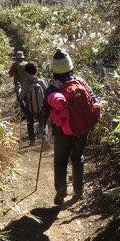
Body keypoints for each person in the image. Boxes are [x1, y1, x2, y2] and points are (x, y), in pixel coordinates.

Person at [44, 48, 98, 206]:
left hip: (62, 133)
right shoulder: (81, 83)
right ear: (70, 66)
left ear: (54, 69)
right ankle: (78, 190)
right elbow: (94, 101)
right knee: (77, 158)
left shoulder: (52, 88)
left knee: (60, 161)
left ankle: (61, 188)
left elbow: (45, 112)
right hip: (82, 131)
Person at [18, 62, 48, 146]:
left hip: (30, 107)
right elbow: (47, 93)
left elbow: (21, 97)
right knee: (42, 122)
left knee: (30, 122)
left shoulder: (26, 84)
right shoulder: (41, 82)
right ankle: (44, 138)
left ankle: (32, 140)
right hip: (41, 106)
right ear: (36, 71)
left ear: (27, 73)